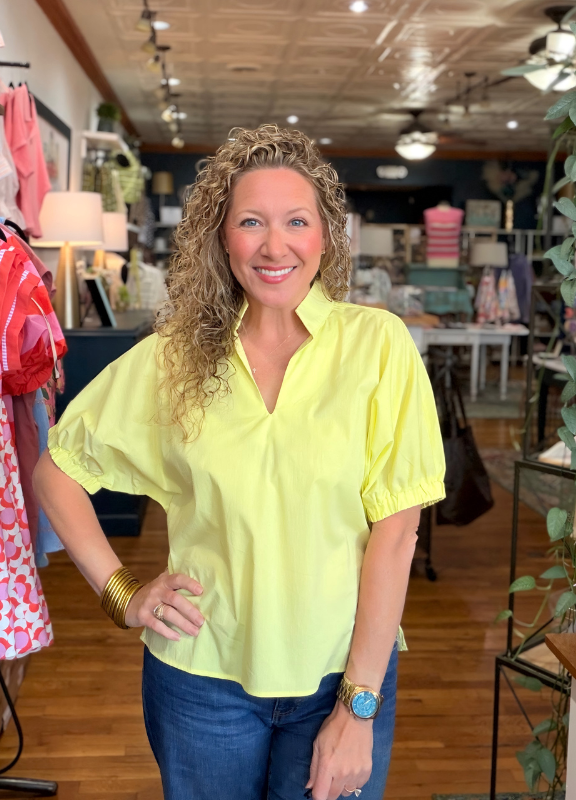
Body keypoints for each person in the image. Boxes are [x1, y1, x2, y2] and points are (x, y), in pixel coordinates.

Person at [33, 124, 445, 800]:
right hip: (200, 681)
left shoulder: (378, 346)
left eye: (296, 221)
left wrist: (358, 705)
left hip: (340, 677)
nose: (273, 244)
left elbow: (397, 534)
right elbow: (57, 472)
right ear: (221, 239)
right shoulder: (173, 358)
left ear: (325, 237)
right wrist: (122, 594)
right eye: (251, 221)